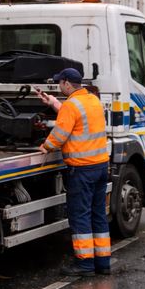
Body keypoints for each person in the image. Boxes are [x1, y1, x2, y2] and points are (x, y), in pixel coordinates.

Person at [35, 67, 111, 277]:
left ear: (67, 83)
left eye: (60, 83)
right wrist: (53, 103)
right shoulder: (92, 100)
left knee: (80, 215)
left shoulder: (71, 106)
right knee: (98, 215)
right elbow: (78, 120)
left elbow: (60, 134)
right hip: (100, 166)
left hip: (82, 169)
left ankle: (85, 264)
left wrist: (46, 146)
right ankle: (103, 263)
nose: (59, 86)